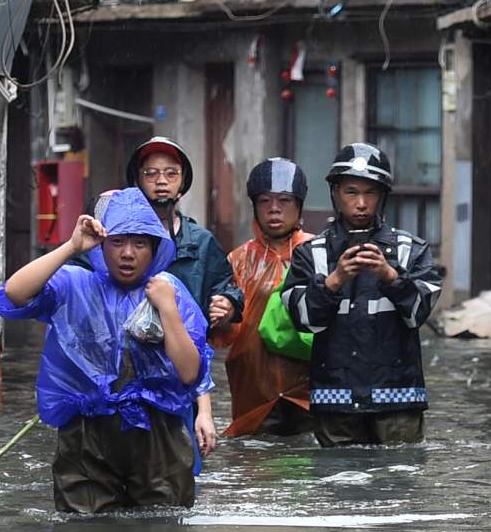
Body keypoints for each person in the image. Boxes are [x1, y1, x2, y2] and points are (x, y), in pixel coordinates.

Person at [0, 187, 210, 514]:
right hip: (87, 431)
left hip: (157, 431)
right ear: (103, 245)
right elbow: (15, 293)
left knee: (163, 529)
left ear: (154, 248)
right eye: (118, 242)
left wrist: (168, 310)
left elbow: (190, 372)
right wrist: (71, 246)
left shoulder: (168, 291)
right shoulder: (75, 284)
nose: (128, 254)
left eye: (139, 243)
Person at [281, 143, 442, 447]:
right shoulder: (309, 253)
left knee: (399, 485)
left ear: (382, 197)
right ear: (336, 194)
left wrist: (390, 275)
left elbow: (419, 314)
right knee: (338, 485)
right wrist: (334, 280)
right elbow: (302, 321)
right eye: (351, 192)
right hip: (335, 400)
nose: (361, 203)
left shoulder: (412, 250)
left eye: (370, 193)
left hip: (398, 401)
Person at [125, 137, 242, 460]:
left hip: (183, 376)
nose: (161, 181)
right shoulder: (116, 239)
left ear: (183, 182)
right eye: (151, 173)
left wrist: (227, 305)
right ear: (137, 180)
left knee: (179, 472)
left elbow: (227, 287)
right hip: (126, 379)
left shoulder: (200, 242)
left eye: (170, 173)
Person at [209, 157, 316, 437]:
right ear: (255, 207)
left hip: (312, 393)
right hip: (254, 393)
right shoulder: (239, 260)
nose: (274, 210)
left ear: (299, 206)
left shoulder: (318, 253)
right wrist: (222, 313)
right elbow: (223, 336)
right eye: (265, 201)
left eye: (284, 200)